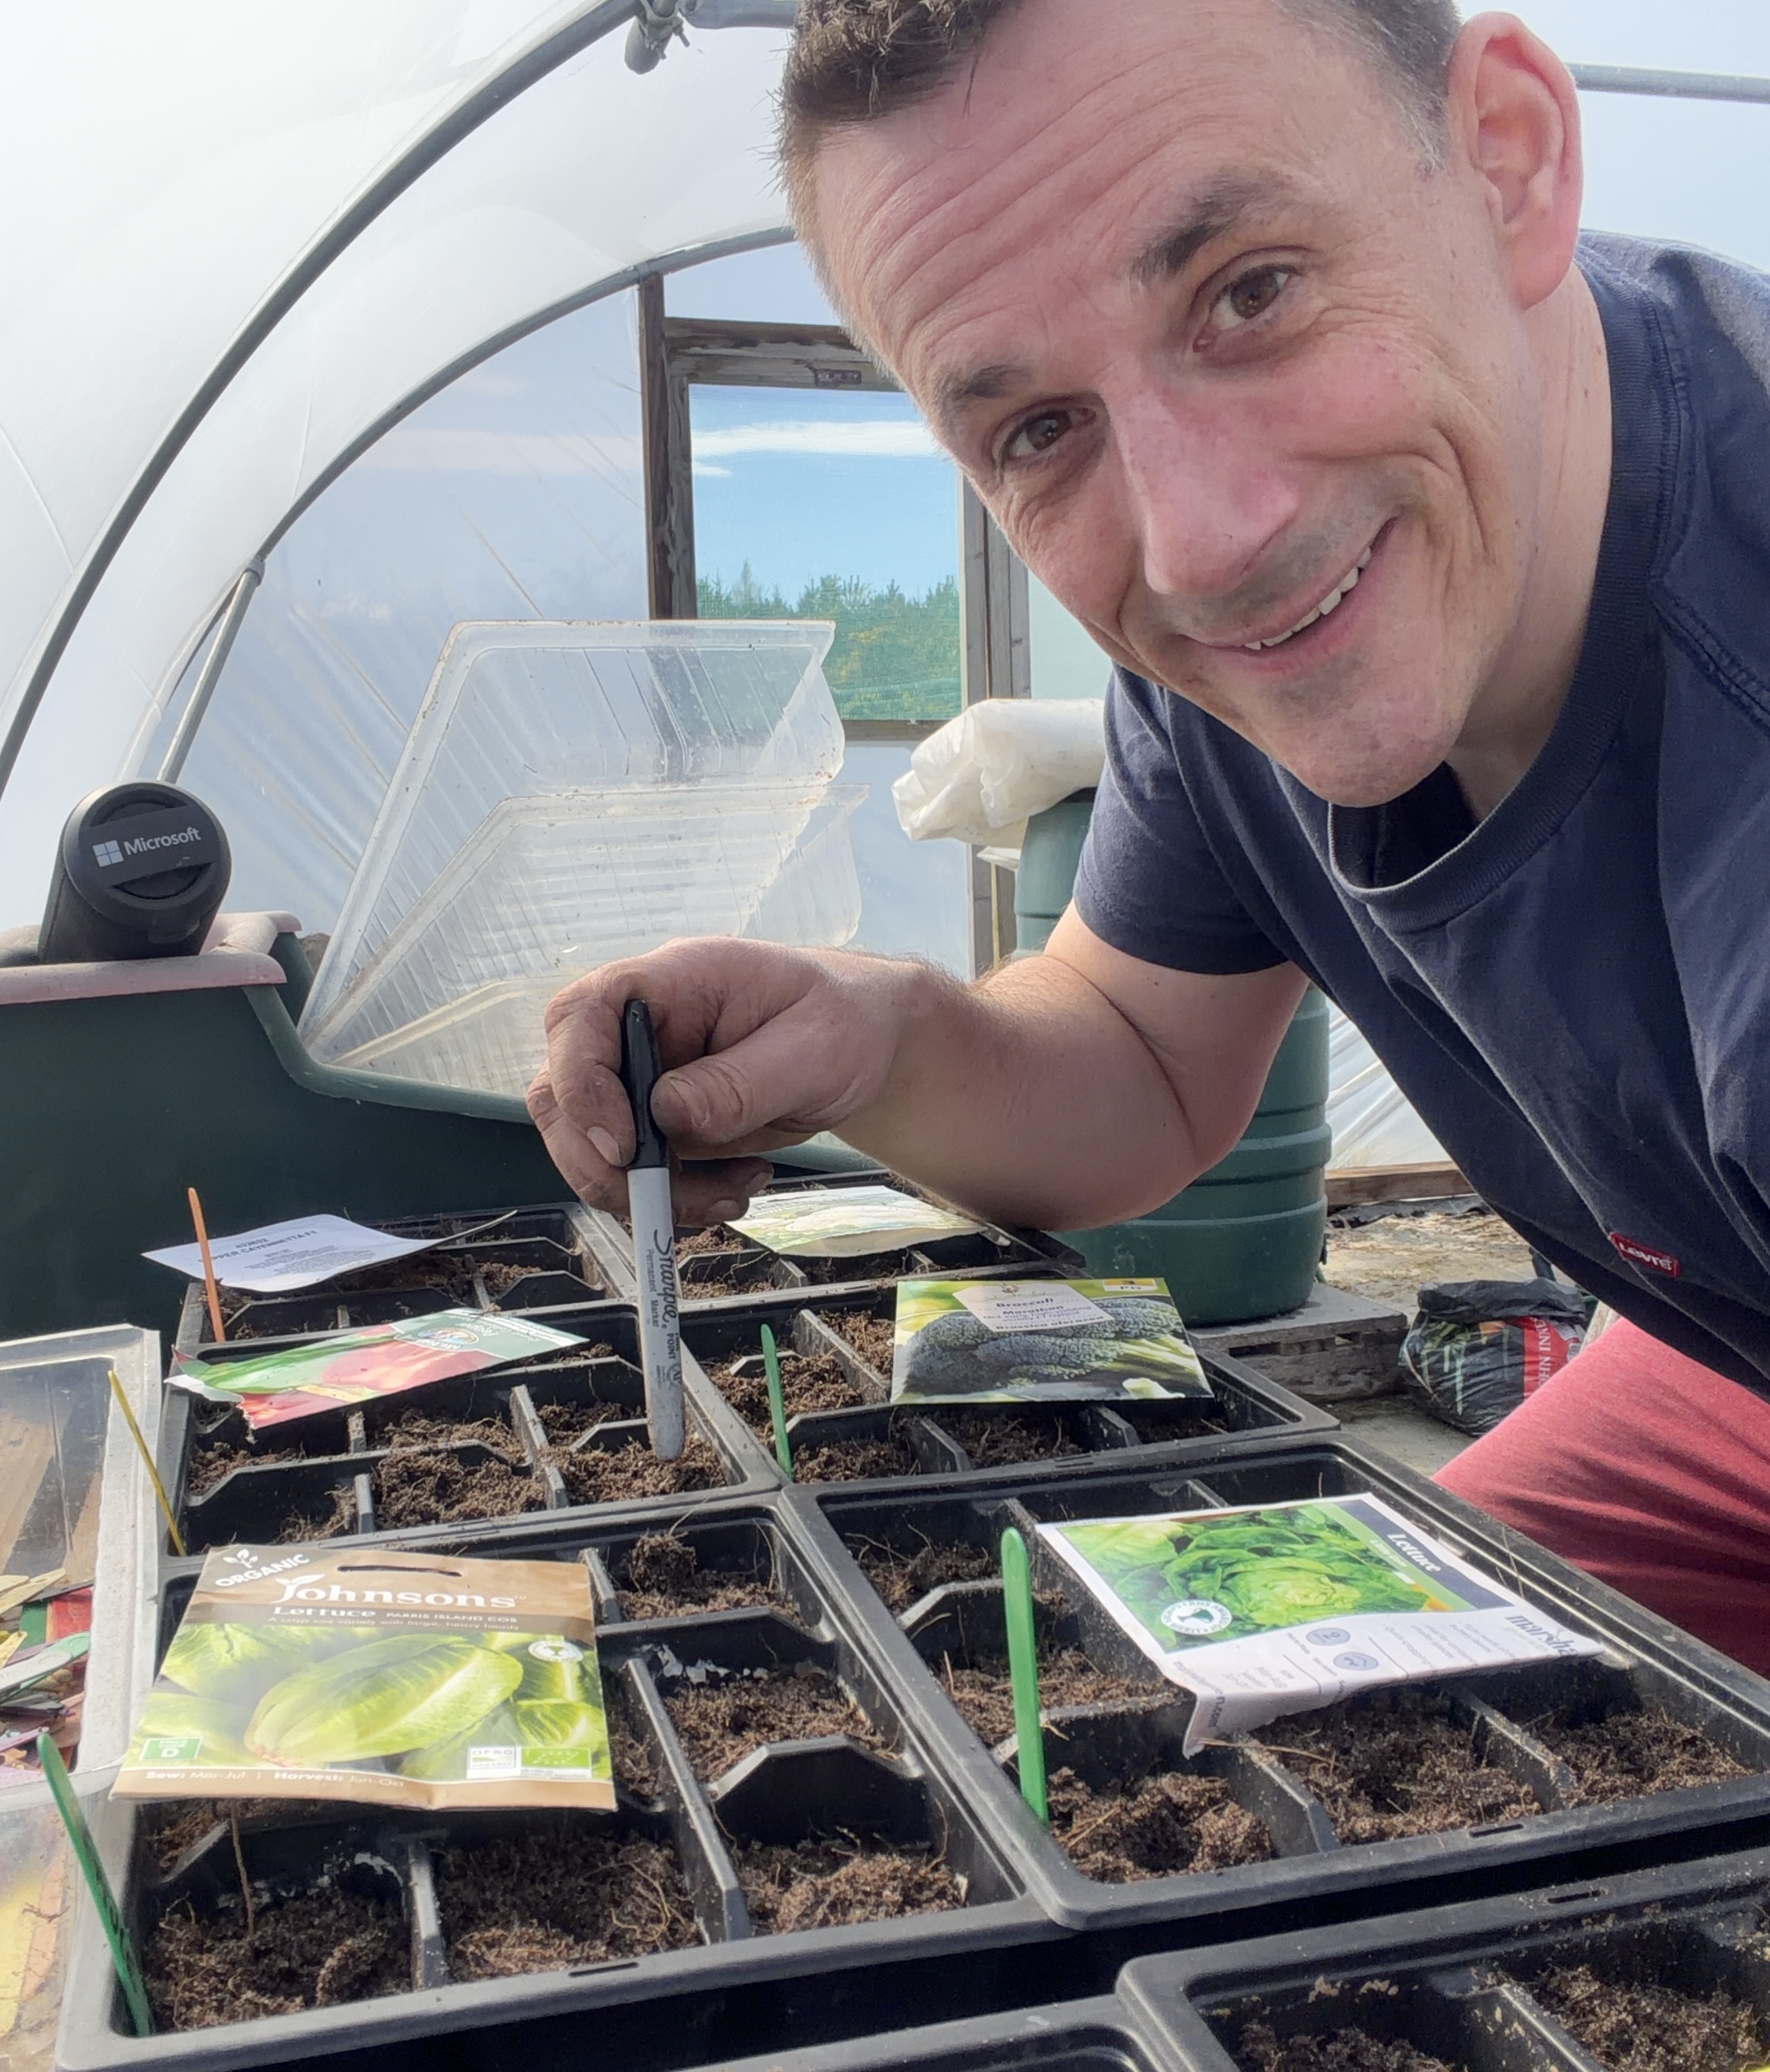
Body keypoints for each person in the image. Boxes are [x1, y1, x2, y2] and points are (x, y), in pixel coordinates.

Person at [528, 0, 1770, 1670]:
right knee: (1385, 1674)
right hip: (1717, 1348)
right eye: (1039, 431)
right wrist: (874, 1034)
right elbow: (1141, 1063)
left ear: (1508, 161)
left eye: (1249, 292)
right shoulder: (1251, 652)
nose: (1200, 543)